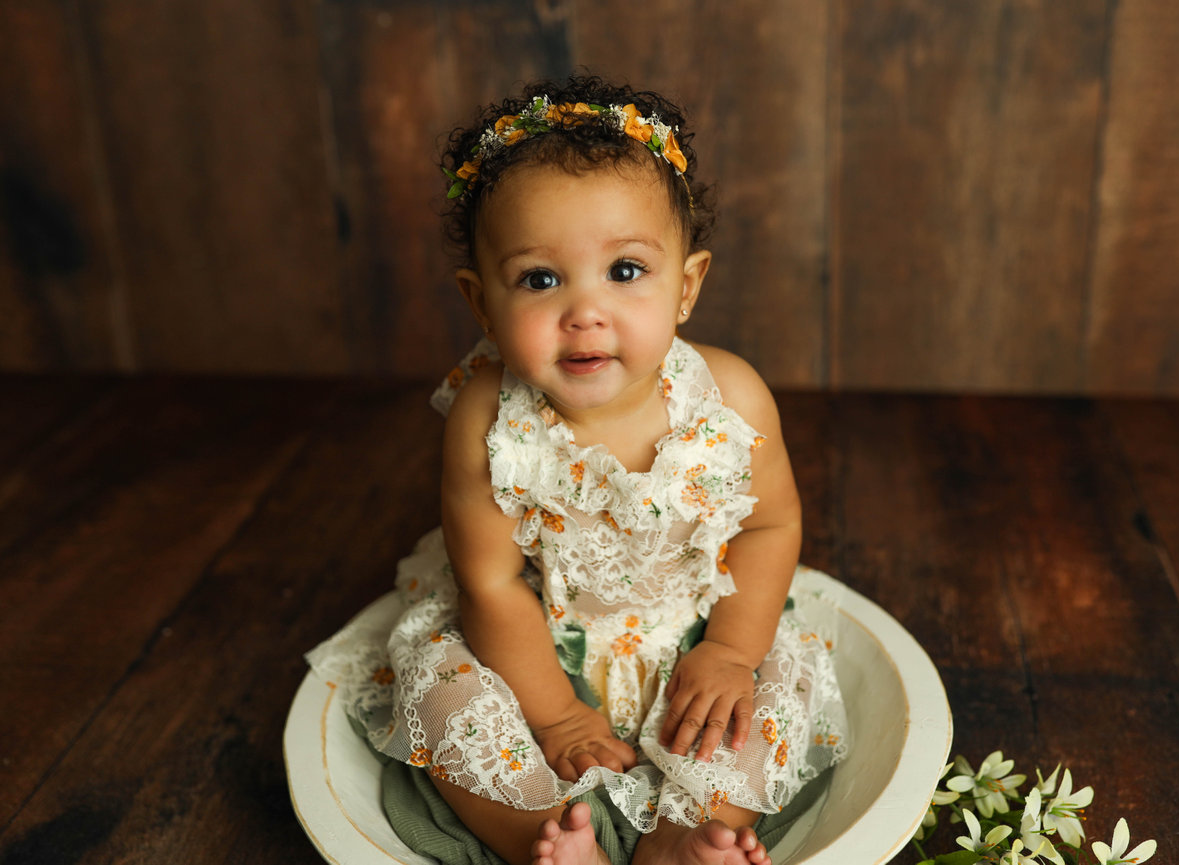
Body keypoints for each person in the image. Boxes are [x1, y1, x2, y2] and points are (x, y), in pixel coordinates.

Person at [308, 75, 847, 865]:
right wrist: (556, 715)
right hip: (533, 646)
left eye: (625, 271)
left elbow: (771, 523)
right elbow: (490, 583)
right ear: (482, 303)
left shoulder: (730, 400)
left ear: (687, 285)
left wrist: (731, 651)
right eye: (539, 278)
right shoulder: (487, 420)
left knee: (763, 704)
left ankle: (682, 837)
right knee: (438, 696)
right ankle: (546, 837)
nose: (584, 311)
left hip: (693, 630)